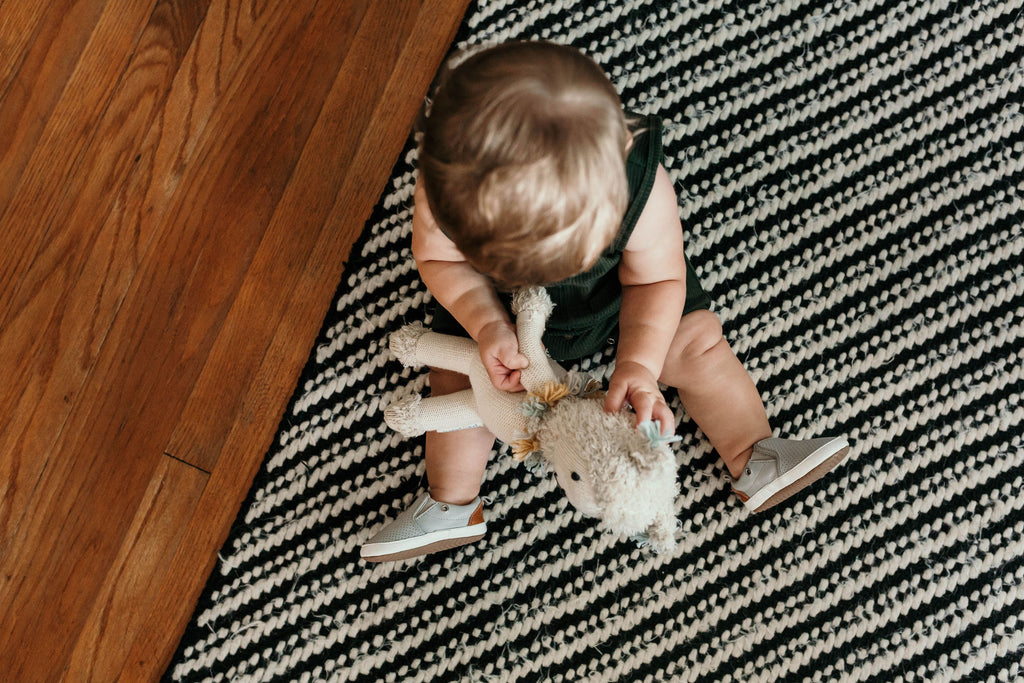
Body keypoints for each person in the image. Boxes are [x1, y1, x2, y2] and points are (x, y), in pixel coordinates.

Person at [360, 41, 849, 563]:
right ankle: (451, 503)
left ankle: (755, 454)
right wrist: (485, 325)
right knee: (461, 378)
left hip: (622, 292)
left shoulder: (637, 179)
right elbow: (441, 263)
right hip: (500, 309)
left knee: (696, 344)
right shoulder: (444, 189)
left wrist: (638, 364)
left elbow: (657, 280)